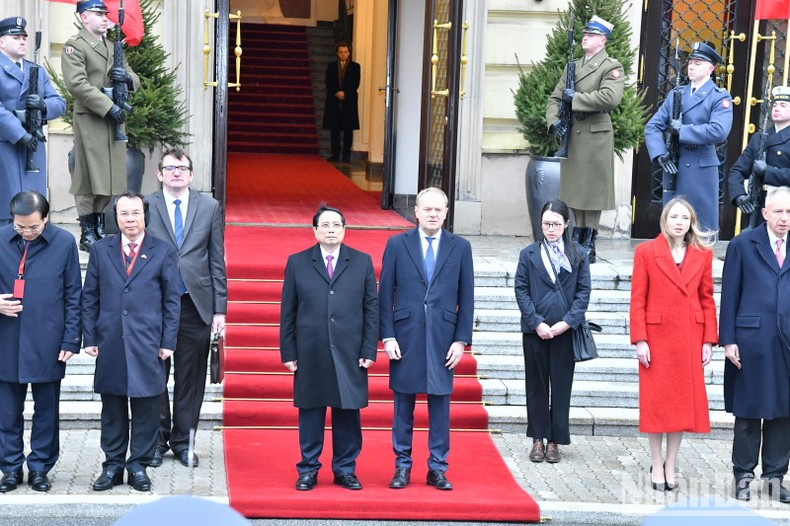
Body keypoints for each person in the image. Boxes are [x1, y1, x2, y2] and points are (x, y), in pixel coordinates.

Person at [82, 192, 180, 492]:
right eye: (124, 214)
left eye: (136, 213)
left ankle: (138, 465)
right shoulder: (101, 250)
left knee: (147, 408)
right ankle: (112, 466)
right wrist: (90, 336)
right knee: (112, 408)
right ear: (116, 217)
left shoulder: (163, 251)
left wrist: (168, 341)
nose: (130, 219)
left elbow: (171, 301)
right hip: (110, 341)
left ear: (145, 215)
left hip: (148, 343)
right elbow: (90, 296)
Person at [378, 187, 474, 491]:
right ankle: (402, 466)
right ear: (416, 211)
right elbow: (384, 295)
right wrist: (388, 336)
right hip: (405, 336)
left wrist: (461, 340)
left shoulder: (460, 247)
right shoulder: (396, 244)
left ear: (446, 213)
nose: (432, 214)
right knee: (402, 406)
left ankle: (437, 467)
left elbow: (466, 297)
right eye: (427, 209)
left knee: (440, 407)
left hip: (443, 338)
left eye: (438, 210)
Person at [280, 204, 378, 491]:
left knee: (348, 412)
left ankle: (345, 469)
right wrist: (288, 352)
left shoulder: (361, 262)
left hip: (350, 351)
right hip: (310, 350)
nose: (331, 229)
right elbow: (288, 310)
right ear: (315, 231)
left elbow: (371, 309)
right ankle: (308, 469)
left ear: (345, 230)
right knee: (310, 412)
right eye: (325, 225)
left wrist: (369, 349)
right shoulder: (298, 262)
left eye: (337, 225)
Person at [145, 149, 227, 469]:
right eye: (170, 168)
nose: (177, 173)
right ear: (160, 174)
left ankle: (183, 441)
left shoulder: (209, 207)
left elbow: (216, 259)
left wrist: (220, 308)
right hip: (154, 303)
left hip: (195, 304)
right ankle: (156, 439)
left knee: (190, 378)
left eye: (183, 168)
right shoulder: (146, 206)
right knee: (154, 374)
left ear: (192, 175)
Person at [629, 198, 717, 491]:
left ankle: (671, 463)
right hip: (657, 339)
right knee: (657, 405)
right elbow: (638, 298)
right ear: (665, 220)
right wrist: (640, 338)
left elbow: (707, 299)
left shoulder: (703, 255)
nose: (679, 222)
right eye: (674, 217)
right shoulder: (646, 252)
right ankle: (656, 462)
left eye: (684, 218)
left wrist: (708, 341)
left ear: (691, 222)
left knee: (680, 406)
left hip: (689, 337)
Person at [0, 191, 81, 493]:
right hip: (6, 339)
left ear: (46, 218)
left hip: (48, 340)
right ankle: (9, 468)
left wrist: (71, 339)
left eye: (33, 226)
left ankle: (40, 468)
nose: (27, 232)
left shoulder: (63, 243)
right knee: (7, 411)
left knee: (47, 410)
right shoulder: (1, 240)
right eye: (20, 227)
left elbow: (74, 294)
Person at [719, 186, 790, 504]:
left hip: (786, 345)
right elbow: (730, 294)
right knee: (748, 414)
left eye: (789, 212)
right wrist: (728, 340)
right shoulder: (743, 244)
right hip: (750, 342)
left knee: (783, 414)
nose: (785, 219)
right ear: (764, 213)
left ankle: (775, 477)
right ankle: (743, 475)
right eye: (779, 211)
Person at [514, 199, 591, 465]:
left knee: (560, 387)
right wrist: (536, 322)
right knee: (536, 386)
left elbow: (583, 293)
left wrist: (568, 322)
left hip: (565, 331)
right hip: (535, 331)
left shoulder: (578, 254)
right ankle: (537, 438)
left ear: (566, 225)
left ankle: (555, 440)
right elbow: (521, 290)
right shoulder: (529, 254)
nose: (551, 229)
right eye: (546, 223)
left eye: (556, 224)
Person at [62, 0, 140, 251]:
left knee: (110, 175)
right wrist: (108, 106)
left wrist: (126, 78)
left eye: (106, 14)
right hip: (92, 119)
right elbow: (77, 84)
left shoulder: (113, 46)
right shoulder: (76, 46)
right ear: (85, 18)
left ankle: (97, 226)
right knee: (88, 176)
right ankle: (87, 232)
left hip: (113, 120)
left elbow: (134, 77)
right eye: (98, 14)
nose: (105, 18)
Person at [546, 15, 624, 262]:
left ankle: (588, 241)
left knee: (591, 192)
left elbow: (609, 98)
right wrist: (554, 122)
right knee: (576, 191)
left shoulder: (611, 67)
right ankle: (576, 238)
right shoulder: (574, 66)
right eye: (584, 34)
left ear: (602, 40)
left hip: (594, 136)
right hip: (574, 136)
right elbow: (555, 98)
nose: (585, 38)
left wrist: (576, 99)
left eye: (590, 35)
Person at [645, 41, 733, 232]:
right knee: (673, 227)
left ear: (710, 68)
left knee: (701, 229)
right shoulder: (677, 94)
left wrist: (683, 130)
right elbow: (652, 127)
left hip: (700, 169)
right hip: (675, 165)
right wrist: (660, 154)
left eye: (698, 63)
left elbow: (719, 131)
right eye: (690, 62)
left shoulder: (719, 97)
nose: (691, 66)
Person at [0, 17, 66, 224]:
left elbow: (59, 102)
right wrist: (20, 134)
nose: (22, 41)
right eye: (15, 37)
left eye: (24, 38)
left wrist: (43, 105)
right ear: (1, 41)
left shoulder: (34, 69)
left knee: (33, 204)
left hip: (33, 145)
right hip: (6, 144)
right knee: (7, 206)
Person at [728, 86, 790, 229]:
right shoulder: (759, 138)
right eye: (775, 105)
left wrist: (767, 172)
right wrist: (740, 196)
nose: (777, 108)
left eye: (783, 105)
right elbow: (737, 171)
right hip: (760, 204)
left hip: (785, 205)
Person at [322, 42, 360, 163]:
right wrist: (336, 92)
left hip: (349, 101)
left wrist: (345, 93)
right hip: (334, 100)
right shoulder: (331, 66)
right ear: (337, 53)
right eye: (341, 52)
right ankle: (335, 154)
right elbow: (328, 81)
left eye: (345, 52)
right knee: (334, 128)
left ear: (349, 53)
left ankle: (346, 155)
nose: (343, 54)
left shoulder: (355, 66)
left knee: (348, 129)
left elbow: (355, 83)